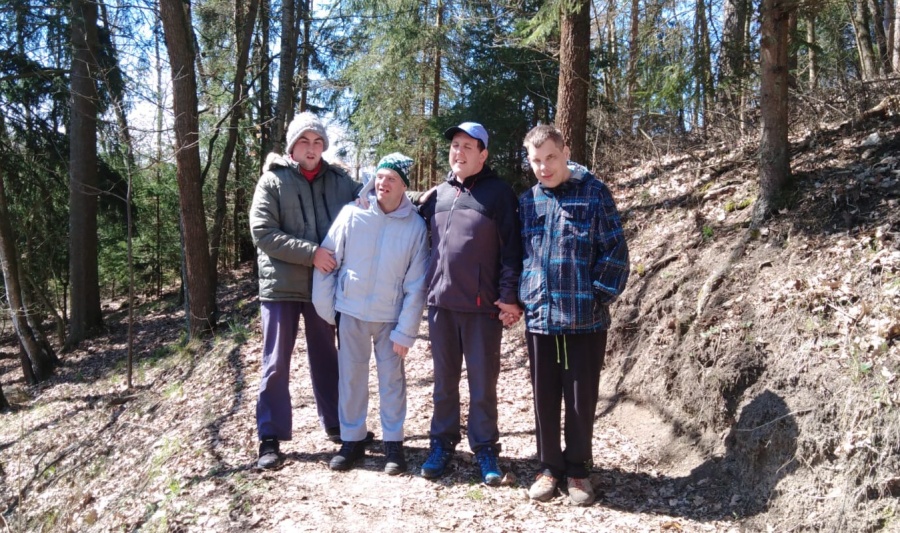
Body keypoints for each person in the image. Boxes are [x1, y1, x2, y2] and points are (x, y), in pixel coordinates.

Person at [518, 124, 629, 505]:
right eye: (536, 161)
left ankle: (579, 471)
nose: (544, 167)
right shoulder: (528, 201)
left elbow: (615, 251)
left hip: (585, 320)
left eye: (550, 157)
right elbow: (519, 254)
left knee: (581, 400)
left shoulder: (594, 194)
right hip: (540, 318)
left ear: (565, 152)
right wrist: (525, 295)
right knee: (544, 397)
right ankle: (549, 468)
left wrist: (596, 296)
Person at [249, 111, 363, 469]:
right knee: (275, 363)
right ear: (292, 147)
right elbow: (262, 232)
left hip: (323, 286)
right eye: (304, 141)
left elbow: (377, 195)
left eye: (317, 142)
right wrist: (312, 253)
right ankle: (270, 437)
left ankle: (338, 423)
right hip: (280, 287)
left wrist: (420, 197)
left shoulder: (340, 181)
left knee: (327, 357)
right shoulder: (272, 181)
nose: (311, 148)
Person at [417, 122, 523, 486]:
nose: (458, 151)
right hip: (441, 306)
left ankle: (485, 448)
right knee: (443, 384)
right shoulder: (438, 195)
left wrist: (508, 296)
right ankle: (441, 444)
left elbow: (512, 251)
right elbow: (404, 216)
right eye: (455, 145)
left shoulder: (499, 194)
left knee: (482, 385)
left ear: (483, 154)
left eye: (467, 146)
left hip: (482, 309)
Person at [312, 153, 429, 475]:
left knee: (392, 382)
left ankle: (393, 444)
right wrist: (329, 310)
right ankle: (351, 440)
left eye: (391, 179)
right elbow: (327, 260)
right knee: (351, 379)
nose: (383, 183)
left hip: (390, 318)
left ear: (404, 185)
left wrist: (406, 330)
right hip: (351, 312)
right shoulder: (352, 214)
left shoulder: (415, 226)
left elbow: (416, 284)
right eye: (379, 177)